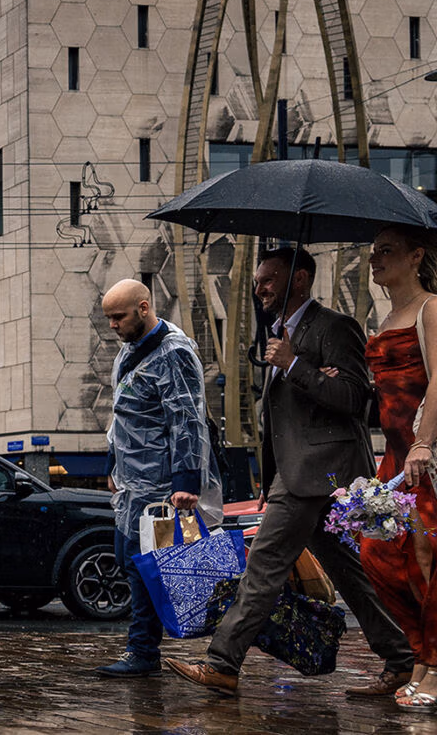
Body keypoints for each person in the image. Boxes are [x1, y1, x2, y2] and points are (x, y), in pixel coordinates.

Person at [166, 247, 414, 696]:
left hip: (326, 472)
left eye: (269, 280)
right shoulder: (281, 333)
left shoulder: (335, 328)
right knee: (349, 574)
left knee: (264, 564)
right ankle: (401, 657)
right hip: (301, 473)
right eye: (259, 280)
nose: (259, 288)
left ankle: (223, 664)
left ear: (298, 280)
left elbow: (357, 400)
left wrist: (296, 366)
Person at [94, 279, 222, 678]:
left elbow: (186, 419)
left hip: (162, 486)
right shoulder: (130, 352)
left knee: (145, 564)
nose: (112, 325)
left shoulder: (173, 353)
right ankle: (146, 646)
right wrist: (113, 469)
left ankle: (143, 650)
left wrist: (186, 481)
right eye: (108, 318)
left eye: (119, 316)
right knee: (130, 559)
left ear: (144, 308)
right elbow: (122, 418)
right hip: (134, 482)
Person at [359, 225, 437, 707]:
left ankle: (432, 667)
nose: (374, 260)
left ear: (416, 257)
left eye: (386, 251)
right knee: (377, 553)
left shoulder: (432, 308)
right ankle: (420, 655)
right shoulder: (385, 319)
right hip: (393, 456)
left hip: (424, 455)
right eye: (372, 253)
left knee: (426, 559)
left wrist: (424, 443)